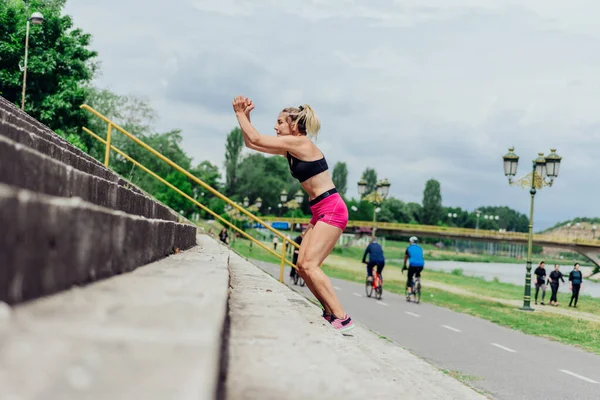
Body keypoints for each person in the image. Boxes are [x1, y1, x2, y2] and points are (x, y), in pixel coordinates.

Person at [232, 95, 354, 332]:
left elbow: (256, 137)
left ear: (294, 126)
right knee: (301, 265)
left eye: (280, 122)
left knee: (309, 264)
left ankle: (342, 316)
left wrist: (238, 113)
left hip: (331, 208)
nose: (275, 127)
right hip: (320, 209)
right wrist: (246, 116)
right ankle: (330, 313)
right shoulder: (290, 150)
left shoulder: (301, 144)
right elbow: (251, 143)